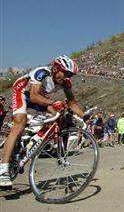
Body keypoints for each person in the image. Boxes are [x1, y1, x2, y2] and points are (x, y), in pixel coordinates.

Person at [0, 55, 84, 188]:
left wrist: (85, 117)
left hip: (39, 96)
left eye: (70, 75)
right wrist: (54, 102)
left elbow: (72, 103)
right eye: (66, 73)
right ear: (56, 68)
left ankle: (29, 142)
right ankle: (3, 169)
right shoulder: (42, 72)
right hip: (22, 92)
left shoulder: (66, 82)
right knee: (19, 123)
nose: (67, 78)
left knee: (57, 116)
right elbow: (33, 96)